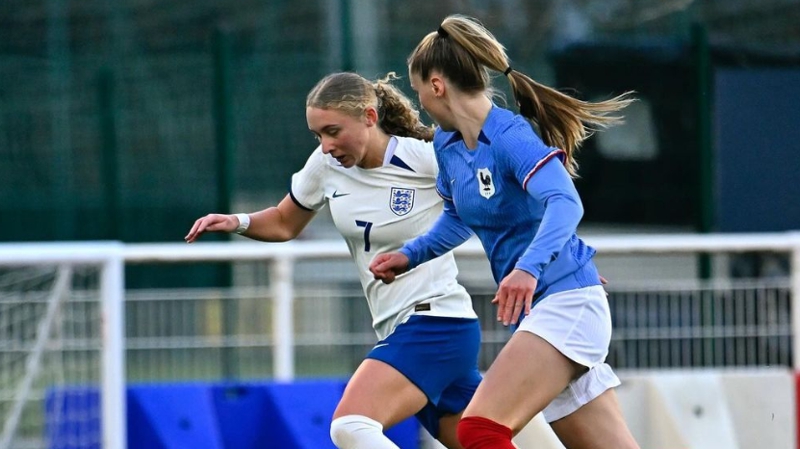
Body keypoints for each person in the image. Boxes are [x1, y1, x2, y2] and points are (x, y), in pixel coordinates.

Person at [369, 15, 641, 449]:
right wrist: (411, 254)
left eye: (419, 91)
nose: (419, 103)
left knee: (479, 429)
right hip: (546, 312)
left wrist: (530, 268)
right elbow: (460, 216)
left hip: (567, 305)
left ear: (437, 86)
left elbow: (566, 202)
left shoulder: (510, 136)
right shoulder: (448, 144)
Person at [185, 72, 481, 449]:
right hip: (405, 329)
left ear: (370, 118)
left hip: (435, 323)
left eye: (333, 131)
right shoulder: (326, 166)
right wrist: (236, 222)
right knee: (483, 441)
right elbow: (283, 222)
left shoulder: (426, 158)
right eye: (317, 135)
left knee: (351, 425)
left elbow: (487, 202)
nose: (325, 146)